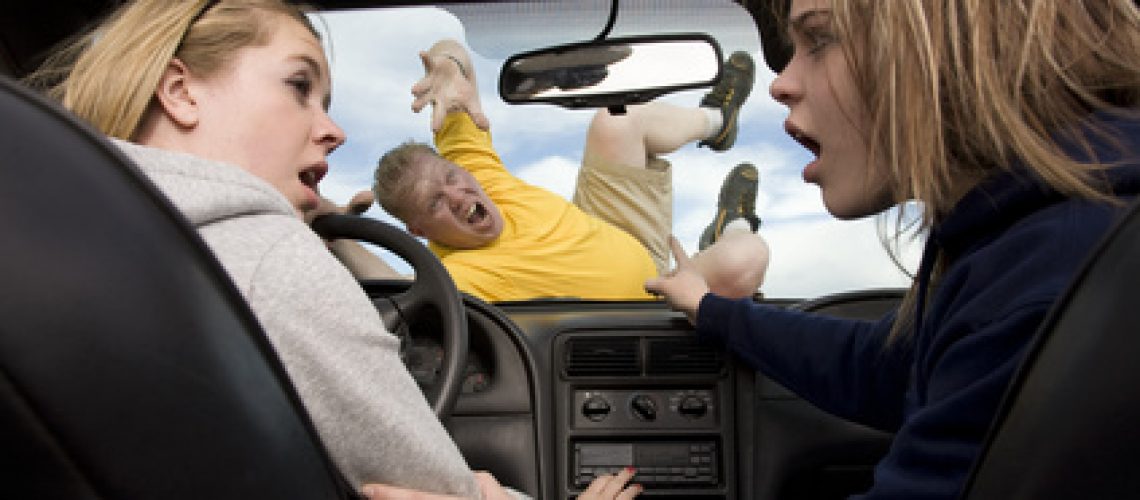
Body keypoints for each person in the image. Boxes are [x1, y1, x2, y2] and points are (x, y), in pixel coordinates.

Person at [25, 1, 637, 499]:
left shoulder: (57, 234)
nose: (334, 130)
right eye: (299, 86)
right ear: (181, 92)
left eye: (328, 103)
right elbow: (431, 487)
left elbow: (451, 67)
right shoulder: (267, 253)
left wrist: (450, 61)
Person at [646, 0, 1140, 498]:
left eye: (819, 40)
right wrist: (711, 309)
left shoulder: (1049, 279)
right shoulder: (1047, 239)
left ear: (955, 49)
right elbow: (885, 368)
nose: (779, 84)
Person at [358, 38, 769, 302]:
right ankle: (733, 226)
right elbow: (395, 292)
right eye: (434, 204)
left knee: (616, 119)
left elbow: (456, 55)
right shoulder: (457, 277)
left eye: (450, 178)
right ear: (419, 231)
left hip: (610, 225)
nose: (458, 195)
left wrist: (448, 62)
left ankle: (717, 119)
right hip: (659, 292)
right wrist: (329, 228)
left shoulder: (475, 172)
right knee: (745, 257)